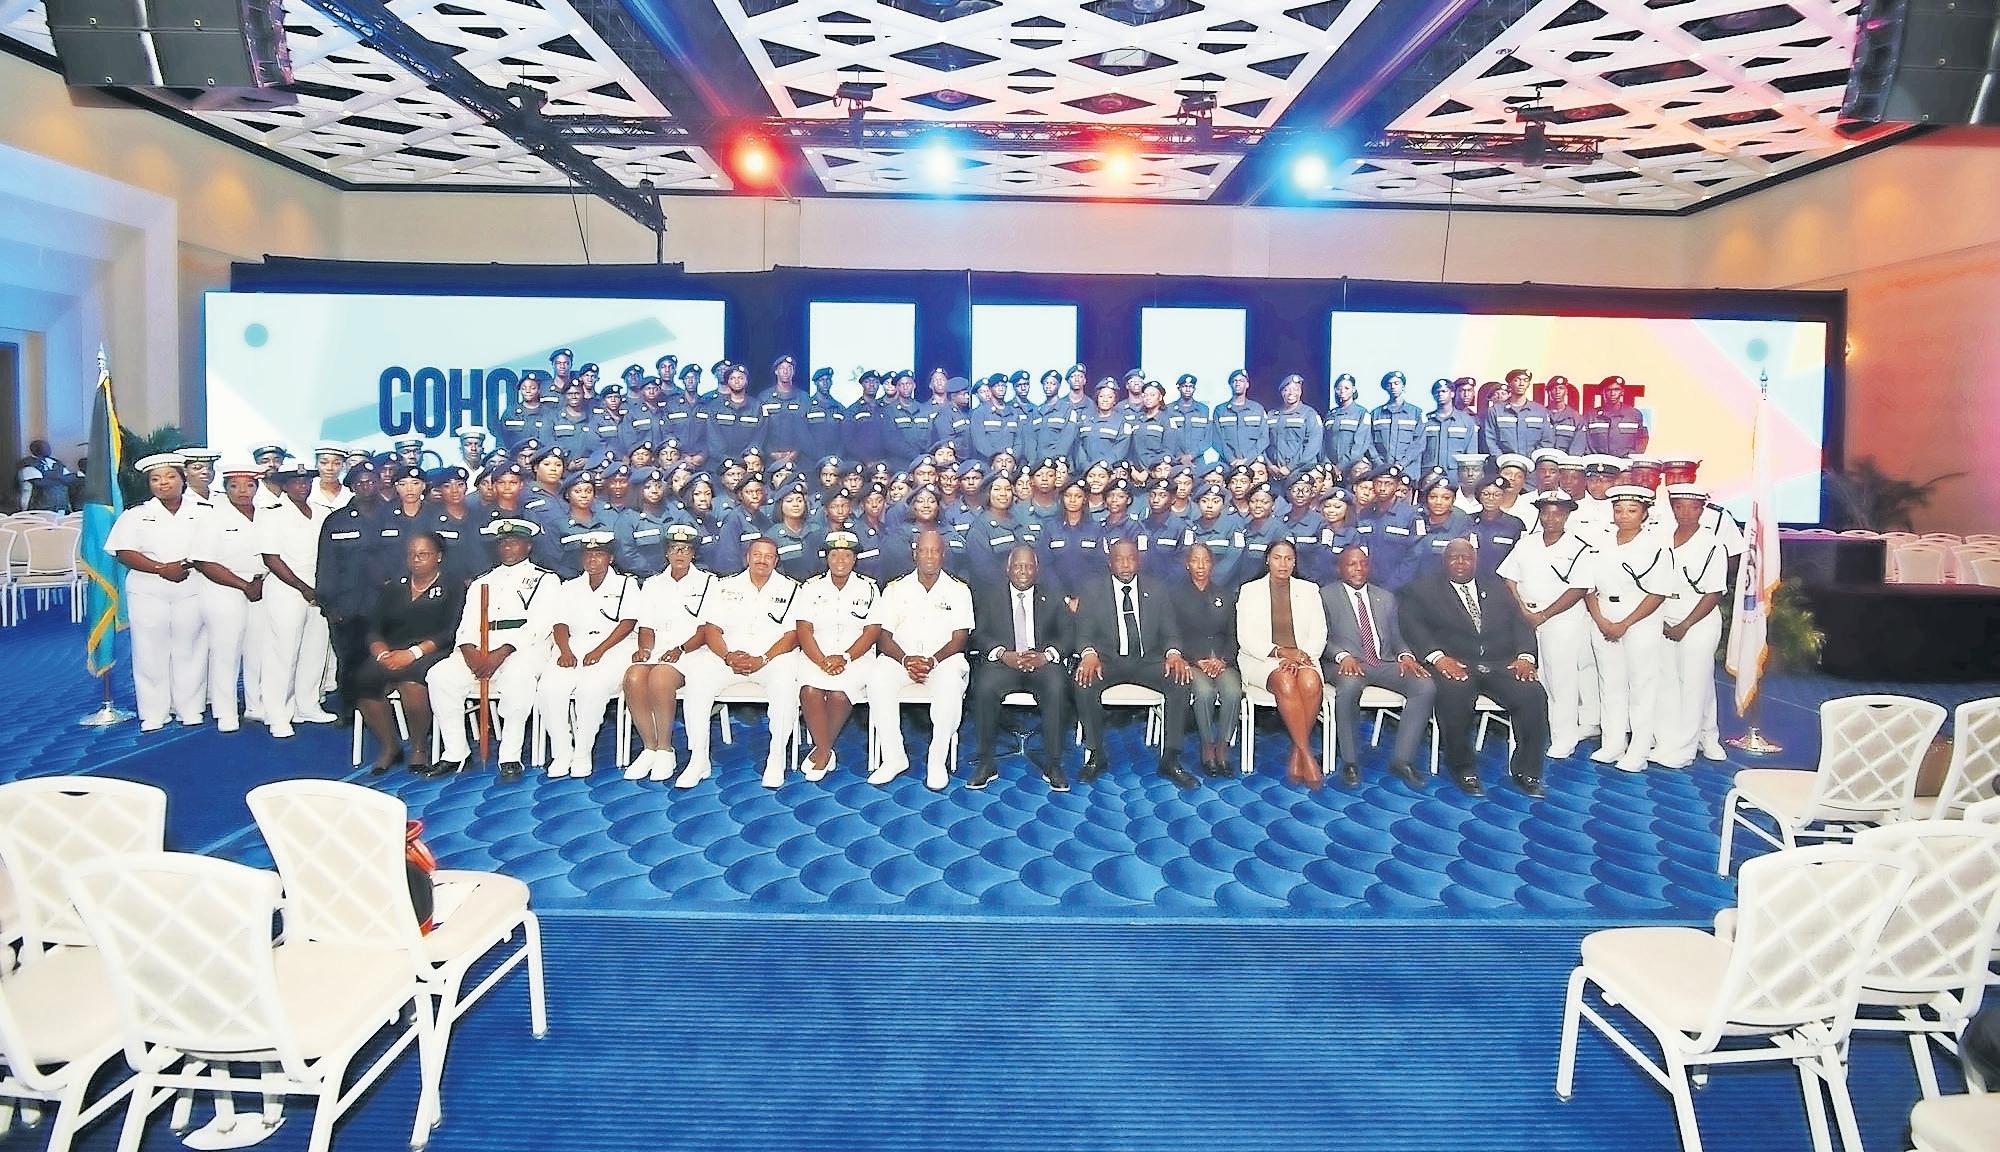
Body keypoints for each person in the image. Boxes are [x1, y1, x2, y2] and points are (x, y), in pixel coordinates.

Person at [1399, 539, 1549, 797]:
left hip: (1500, 663)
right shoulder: (1422, 590)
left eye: (1466, 558)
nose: (1460, 562)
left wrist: (1525, 657)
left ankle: (1527, 771)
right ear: (1444, 561)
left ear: (1475, 560)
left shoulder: (1497, 589)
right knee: (1455, 695)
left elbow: (1520, 624)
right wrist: (1438, 658)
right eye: (1454, 557)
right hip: (1454, 663)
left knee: (1533, 694)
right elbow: (1413, 627)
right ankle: (1463, 768)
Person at [426, 517, 553, 781]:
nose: (507, 547)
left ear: (528, 546)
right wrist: (470, 652)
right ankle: (456, 752)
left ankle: (509, 755)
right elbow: (467, 624)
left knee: (517, 677)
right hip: (481, 647)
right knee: (440, 675)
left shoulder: (545, 580)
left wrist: (502, 652)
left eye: (514, 542)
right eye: (503, 543)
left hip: (523, 648)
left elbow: (540, 624)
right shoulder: (482, 582)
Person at [675, 537, 802, 789]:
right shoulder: (724, 587)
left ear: (776, 561)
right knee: (698, 681)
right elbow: (711, 629)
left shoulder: (792, 589)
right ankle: (698, 759)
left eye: (768, 556)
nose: (762, 560)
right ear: (747, 557)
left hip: (771, 658)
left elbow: (793, 635)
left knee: (786, 684)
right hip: (730, 657)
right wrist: (727, 656)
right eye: (757, 555)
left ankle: (776, 758)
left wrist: (763, 659)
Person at [1072, 539, 1195, 787]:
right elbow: (1083, 633)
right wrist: (1088, 653)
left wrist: (1173, 653)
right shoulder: (1092, 590)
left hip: (1147, 660)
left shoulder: (1157, 589)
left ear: (1139, 561)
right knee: (1083, 682)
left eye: (1130, 559)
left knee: (1180, 680)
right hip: (1107, 661)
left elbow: (1170, 631)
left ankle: (1170, 758)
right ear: (1110, 563)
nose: (1126, 564)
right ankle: (1096, 755)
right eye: (1119, 559)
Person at [863, 529, 972, 790]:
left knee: (950, 685)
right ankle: (893, 758)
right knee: (877, 678)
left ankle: (937, 760)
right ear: (915, 554)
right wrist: (905, 660)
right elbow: (884, 636)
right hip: (902, 659)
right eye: (924, 550)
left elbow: (960, 637)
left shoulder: (959, 590)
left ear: (943, 555)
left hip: (943, 661)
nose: (929, 556)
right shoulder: (895, 589)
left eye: (935, 551)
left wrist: (933, 661)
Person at [1321, 544, 1435, 789]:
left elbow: (1396, 637)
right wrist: (1342, 656)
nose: (1359, 569)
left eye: (1363, 564)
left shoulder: (1386, 597)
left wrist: (1405, 655)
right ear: (1340, 568)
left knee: (1424, 685)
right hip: (1345, 664)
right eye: (1352, 564)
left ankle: (1402, 760)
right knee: (1349, 686)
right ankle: (1350, 761)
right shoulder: (1325, 595)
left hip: (1383, 662)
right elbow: (1321, 637)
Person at [109, 453, 208, 731]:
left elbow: (211, 548)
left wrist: (184, 565)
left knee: (191, 648)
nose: (163, 483)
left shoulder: (203, 511)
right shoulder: (136, 515)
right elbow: (123, 551)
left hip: (191, 586)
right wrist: (161, 568)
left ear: (183, 479)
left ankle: (190, 708)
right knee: (149, 651)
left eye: (170, 476)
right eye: (155, 479)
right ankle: (154, 712)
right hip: (148, 589)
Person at [352, 531, 464, 774]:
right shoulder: (395, 586)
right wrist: (382, 653)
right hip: (392, 652)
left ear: (438, 556)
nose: (416, 559)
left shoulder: (453, 586)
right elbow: (374, 627)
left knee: (411, 683)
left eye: (423, 554)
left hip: (433, 652)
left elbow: (451, 631)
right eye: (411, 554)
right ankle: (389, 747)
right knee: (362, 679)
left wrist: (412, 653)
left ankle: (419, 747)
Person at [1497, 491, 1597, 759]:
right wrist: (1522, 609)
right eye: (1546, 513)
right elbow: (1509, 578)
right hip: (1526, 617)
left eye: (1557, 513)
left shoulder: (1579, 548)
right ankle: (1542, 731)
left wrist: (1543, 615)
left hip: (1561, 620)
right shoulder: (1526, 544)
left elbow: (1579, 588)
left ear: (1567, 515)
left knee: (1561, 680)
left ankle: (1564, 738)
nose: (1551, 518)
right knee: (1538, 679)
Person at [967, 545, 1073, 791]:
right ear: (1008, 569)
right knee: (983, 686)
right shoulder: (990, 596)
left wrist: (1046, 656)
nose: (1023, 571)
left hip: (1042, 663)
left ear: (1037, 569)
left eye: (1028, 566)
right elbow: (978, 634)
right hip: (1005, 662)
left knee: (1057, 687)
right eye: (1017, 566)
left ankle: (1054, 763)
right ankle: (986, 762)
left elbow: (1068, 634)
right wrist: (1002, 654)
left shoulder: (1053, 595)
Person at [1584, 486, 1673, 772]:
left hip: (1640, 617)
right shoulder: (1599, 542)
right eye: (1619, 509)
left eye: (1632, 510)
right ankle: (1612, 743)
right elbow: (1587, 586)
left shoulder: (1656, 546)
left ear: (1645, 514)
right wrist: (1601, 620)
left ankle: (1639, 750)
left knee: (1642, 686)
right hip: (1603, 613)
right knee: (1610, 683)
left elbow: (1658, 592)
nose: (1624, 515)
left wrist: (1625, 623)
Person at [537, 531, 639, 778]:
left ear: (610, 558)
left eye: (599, 554)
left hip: (614, 646)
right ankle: (562, 752)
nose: (592, 560)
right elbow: (559, 623)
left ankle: (582, 753)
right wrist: (565, 651)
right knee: (549, 689)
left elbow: (628, 622)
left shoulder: (626, 584)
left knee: (591, 688)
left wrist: (599, 650)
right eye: (588, 555)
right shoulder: (569, 587)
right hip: (574, 644)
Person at [621, 524, 716, 783]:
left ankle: (665, 749)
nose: (680, 554)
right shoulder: (653, 584)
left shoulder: (708, 583)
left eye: (685, 549)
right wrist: (645, 649)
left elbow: (707, 628)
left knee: (660, 678)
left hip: (693, 651)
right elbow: (646, 626)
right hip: (659, 650)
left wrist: (680, 649)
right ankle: (649, 748)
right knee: (633, 676)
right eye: (674, 549)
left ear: (693, 553)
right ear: (666, 553)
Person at [1235, 540, 1327, 787]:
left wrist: (1300, 656)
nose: (1283, 564)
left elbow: (1319, 632)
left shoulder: (1309, 590)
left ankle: (1297, 751)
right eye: (1277, 558)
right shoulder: (1249, 590)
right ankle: (1307, 755)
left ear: (1295, 562)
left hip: (1303, 657)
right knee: (1285, 682)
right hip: (1262, 659)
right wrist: (1281, 653)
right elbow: (1245, 638)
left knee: (1310, 682)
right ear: (1267, 560)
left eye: (1288, 558)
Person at [793, 531, 882, 781]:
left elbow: (872, 631)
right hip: (815, 654)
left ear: (855, 559)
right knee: (810, 691)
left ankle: (821, 751)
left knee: (839, 694)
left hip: (856, 657)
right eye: (835, 555)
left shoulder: (869, 588)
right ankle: (825, 750)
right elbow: (804, 629)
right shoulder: (810, 588)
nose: (840, 560)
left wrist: (845, 657)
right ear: (827, 558)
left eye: (847, 555)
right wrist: (821, 660)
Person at [1653, 484, 1731, 769]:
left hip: (1698, 617)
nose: (1685, 512)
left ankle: (1684, 749)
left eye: (1692, 507)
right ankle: (1669, 740)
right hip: (1664, 613)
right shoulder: (1661, 538)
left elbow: (1714, 592)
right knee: (1667, 682)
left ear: (1702, 509)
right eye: (1679, 506)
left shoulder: (1712, 544)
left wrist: (1685, 624)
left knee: (1693, 684)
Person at [188, 459, 268, 733]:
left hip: (260, 587)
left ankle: (256, 703)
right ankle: (225, 710)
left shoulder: (266, 514)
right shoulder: (213, 517)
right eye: (235, 486)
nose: (243, 491)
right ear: (226, 488)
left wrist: (256, 583)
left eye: (249, 485)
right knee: (226, 651)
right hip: (224, 588)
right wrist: (243, 585)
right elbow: (203, 561)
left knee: (258, 649)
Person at [1174, 543, 1242, 779]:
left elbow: (1234, 635)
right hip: (1192, 661)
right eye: (1195, 560)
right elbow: (1173, 635)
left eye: (1205, 561)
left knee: (1233, 691)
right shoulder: (1176, 596)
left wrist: (1223, 660)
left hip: (1222, 661)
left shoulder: (1225, 595)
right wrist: (1196, 659)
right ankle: (1207, 745)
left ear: (1212, 565)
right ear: (1187, 564)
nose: (1200, 566)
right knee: (1204, 692)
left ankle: (1222, 746)